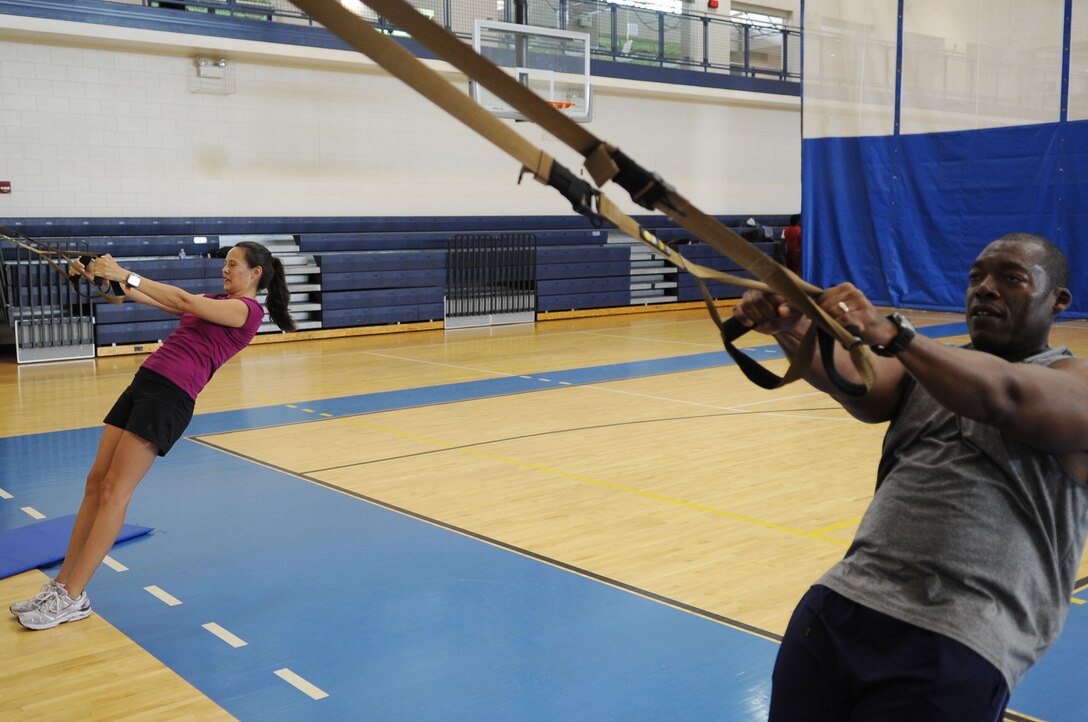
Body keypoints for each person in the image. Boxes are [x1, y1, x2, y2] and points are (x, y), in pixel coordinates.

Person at [733, 232, 1088, 721]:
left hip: (956, 640)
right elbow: (863, 383)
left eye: (1011, 279)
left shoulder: (1075, 383)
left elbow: (1003, 395)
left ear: (1059, 300)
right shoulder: (929, 366)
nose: (985, 288)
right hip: (839, 607)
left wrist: (894, 334)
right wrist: (789, 327)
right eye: (976, 277)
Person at [9, 241, 296, 630]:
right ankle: (61, 586)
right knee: (95, 483)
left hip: (171, 398)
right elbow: (128, 297)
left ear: (256, 272)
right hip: (145, 383)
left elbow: (181, 300)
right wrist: (98, 276)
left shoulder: (246, 311)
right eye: (225, 264)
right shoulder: (213, 298)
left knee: (115, 490)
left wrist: (123, 272)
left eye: (232, 264)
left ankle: (75, 594)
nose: (225, 270)